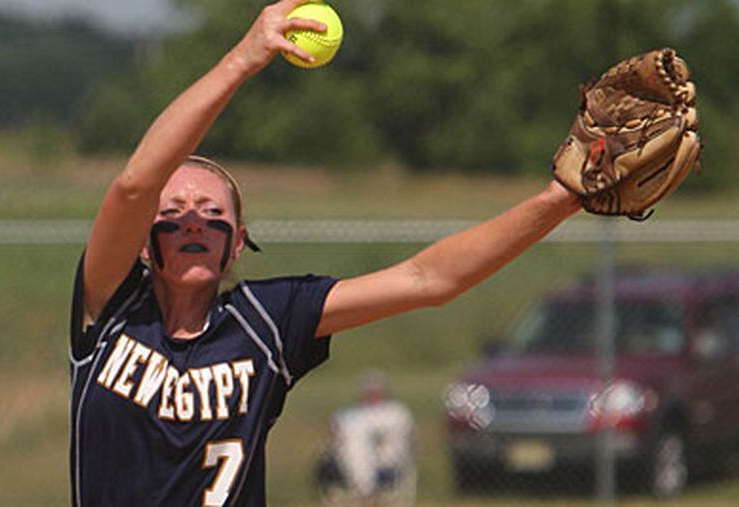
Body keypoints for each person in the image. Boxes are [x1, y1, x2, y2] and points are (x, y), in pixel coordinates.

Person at [68, 0, 581, 505]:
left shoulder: (265, 322)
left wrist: (559, 201)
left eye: (210, 209)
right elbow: (135, 185)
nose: (193, 218)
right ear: (141, 238)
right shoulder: (110, 306)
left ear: (238, 242)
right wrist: (243, 59)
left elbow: (429, 279)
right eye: (175, 209)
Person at [317, 371, 416, 505]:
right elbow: (335, 431)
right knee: (352, 446)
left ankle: (366, 491)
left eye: (375, 391)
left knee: (357, 443)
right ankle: (366, 490)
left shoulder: (395, 412)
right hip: (346, 457)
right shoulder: (352, 413)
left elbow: (403, 436)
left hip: (387, 457)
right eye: (369, 391)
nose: (372, 395)